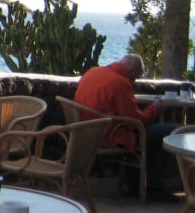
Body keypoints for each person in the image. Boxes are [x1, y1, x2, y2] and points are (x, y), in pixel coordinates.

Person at [73, 53, 178, 197]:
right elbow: (135, 121)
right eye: (134, 78)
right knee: (169, 131)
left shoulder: (92, 72)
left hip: (85, 132)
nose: (133, 82)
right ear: (131, 71)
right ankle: (152, 186)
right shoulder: (120, 83)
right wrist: (155, 108)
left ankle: (135, 182)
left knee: (150, 133)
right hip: (108, 135)